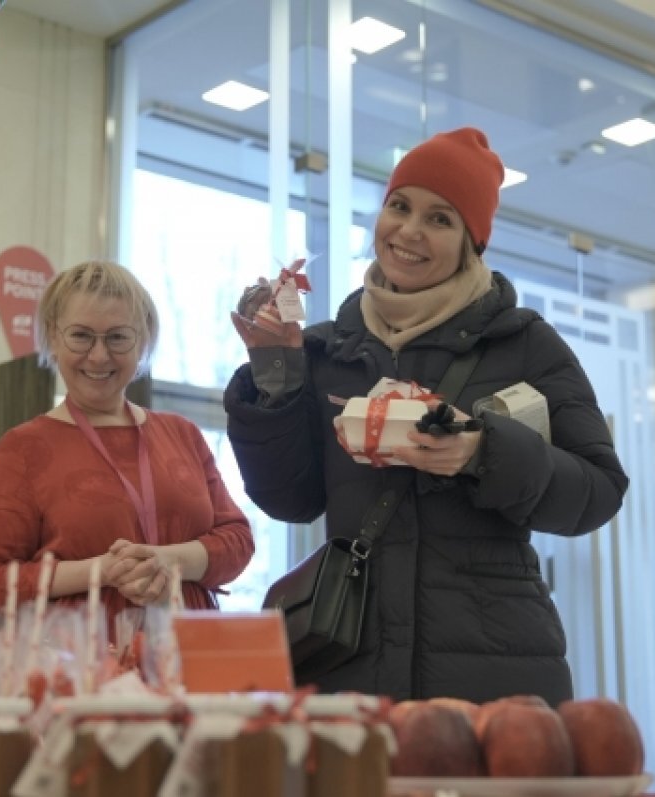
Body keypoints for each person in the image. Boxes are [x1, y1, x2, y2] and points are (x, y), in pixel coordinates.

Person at [224, 128, 628, 706]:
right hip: (348, 660)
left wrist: (483, 452)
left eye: (440, 219)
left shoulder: (525, 345)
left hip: (494, 669)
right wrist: (276, 377)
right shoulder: (325, 349)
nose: (409, 231)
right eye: (399, 206)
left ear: (472, 242)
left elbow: (598, 491)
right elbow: (291, 500)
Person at [0, 260, 255, 628]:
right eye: (81, 335)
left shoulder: (182, 434)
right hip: (76, 670)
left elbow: (238, 541)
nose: (99, 356)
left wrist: (168, 561)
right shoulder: (23, 448)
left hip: (190, 661)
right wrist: (100, 571)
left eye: (117, 337)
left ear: (143, 339)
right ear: (54, 337)